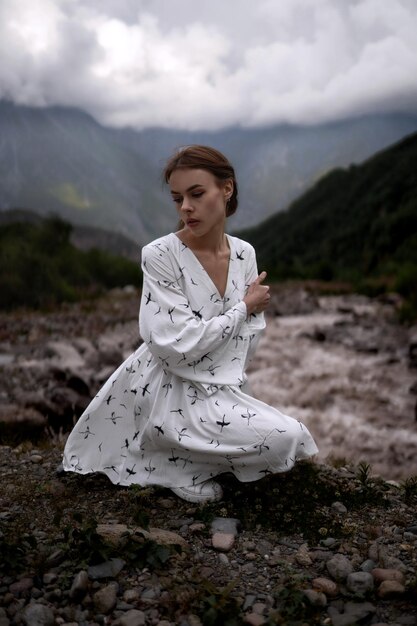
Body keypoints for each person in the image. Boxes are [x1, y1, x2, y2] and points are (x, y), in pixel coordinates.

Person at [62, 145, 318, 502]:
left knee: (289, 437)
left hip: (219, 384)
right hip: (164, 387)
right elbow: (174, 346)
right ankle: (170, 459)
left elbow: (245, 343)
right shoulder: (159, 255)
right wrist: (245, 308)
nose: (185, 207)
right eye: (178, 198)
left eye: (196, 194)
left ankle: (184, 454)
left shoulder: (244, 253)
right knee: (281, 439)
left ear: (226, 189)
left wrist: (247, 319)